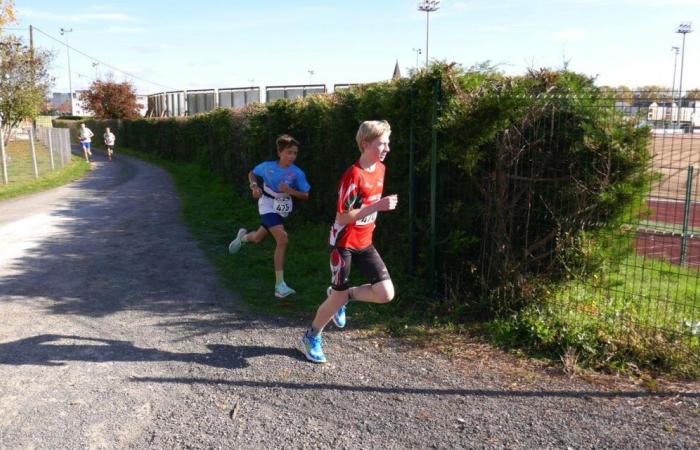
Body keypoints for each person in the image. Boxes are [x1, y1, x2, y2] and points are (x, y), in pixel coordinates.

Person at [301, 120, 398, 363]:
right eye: (381, 143)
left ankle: (346, 297)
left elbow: (365, 213)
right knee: (336, 296)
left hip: (365, 242)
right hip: (343, 243)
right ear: (365, 144)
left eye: (388, 143)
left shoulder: (380, 169)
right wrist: (377, 205)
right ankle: (312, 336)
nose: (387, 148)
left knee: (386, 293)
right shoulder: (353, 176)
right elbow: (342, 216)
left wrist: (375, 208)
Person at [228, 134, 311, 299]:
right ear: (280, 152)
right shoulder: (267, 167)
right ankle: (279, 285)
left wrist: (290, 191)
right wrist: (254, 186)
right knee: (282, 238)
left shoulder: (297, 173)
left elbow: (306, 195)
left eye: (295, 153)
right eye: (289, 152)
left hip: (281, 207)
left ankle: (242, 238)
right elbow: (252, 173)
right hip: (266, 204)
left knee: (258, 238)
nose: (292, 156)